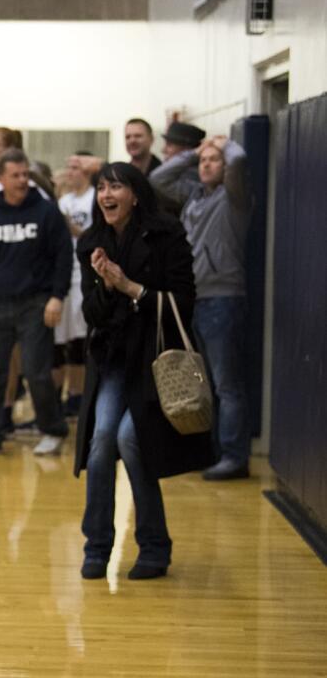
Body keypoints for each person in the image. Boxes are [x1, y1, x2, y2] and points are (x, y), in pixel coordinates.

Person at [74, 162, 214, 581]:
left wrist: (128, 285)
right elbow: (92, 314)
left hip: (156, 359)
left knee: (130, 441)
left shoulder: (167, 235)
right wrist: (102, 283)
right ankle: (97, 547)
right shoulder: (92, 243)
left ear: (135, 194)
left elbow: (183, 304)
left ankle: (154, 547)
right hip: (114, 358)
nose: (105, 194)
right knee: (101, 443)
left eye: (115, 186)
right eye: (101, 187)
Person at [150, 133, 251, 481]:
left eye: (213, 160)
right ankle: (213, 451)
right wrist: (194, 154)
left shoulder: (233, 198)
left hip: (223, 300)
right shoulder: (194, 196)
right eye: (203, 161)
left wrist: (223, 146)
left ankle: (235, 457)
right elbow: (157, 179)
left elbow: (238, 161)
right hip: (195, 299)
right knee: (205, 384)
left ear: (224, 168)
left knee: (227, 385)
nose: (207, 164)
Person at [0, 149, 71, 456]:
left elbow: (63, 256)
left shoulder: (46, 212)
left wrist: (57, 297)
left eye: (25, 175)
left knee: (36, 371)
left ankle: (52, 429)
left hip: (36, 302)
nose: (22, 181)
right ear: (1, 178)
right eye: (15, 176)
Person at [54, 152, 95, 418]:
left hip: (85, 274)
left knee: (80, 340)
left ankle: (78, 395)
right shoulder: (64, 199)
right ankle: (59, 397)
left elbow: (96, 236)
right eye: (68, 166)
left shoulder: (94, 198)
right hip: (63, 275)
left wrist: (74, 230)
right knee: (61, 340)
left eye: (76, 167)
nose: (71, 171)